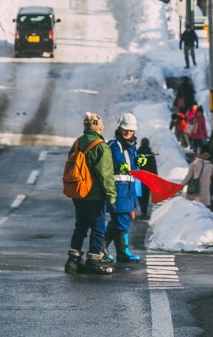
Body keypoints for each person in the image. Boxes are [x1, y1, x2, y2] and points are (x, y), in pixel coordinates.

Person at [64, 111, 116, 275]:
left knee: (80, 226)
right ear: (100, 129)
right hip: (94, 195)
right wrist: (111, 196)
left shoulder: (77, 143)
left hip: (78, 192)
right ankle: (93, 261)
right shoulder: (101, 146)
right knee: (98, 228)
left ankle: (73, 260)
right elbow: (105, 175)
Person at [106, 112, 145, 265]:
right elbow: (118, 160)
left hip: (128, 190)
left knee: (120, 221)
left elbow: (132, 168)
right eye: (125, 130)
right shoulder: (115, 145)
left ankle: (114, 250)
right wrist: (121, 165)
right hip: (119, 190)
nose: (128, 133)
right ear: (120, 129)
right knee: (121, 221)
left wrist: (138, 163)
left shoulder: (132, 146)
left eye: (131, 131)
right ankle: (120, 251)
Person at [181, 143, 213, 212]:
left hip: (194, 192)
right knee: (203, 213)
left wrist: (180, 186)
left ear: (200, 154)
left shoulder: (194, 164)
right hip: (205, 196)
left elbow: (187, 178)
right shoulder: (210, 166)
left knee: (194, 212)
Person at [134, 136, 159, 220]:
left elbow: (135, 165)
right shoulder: (150, 154)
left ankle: (142, 209)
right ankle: (144, 210)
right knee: (146, 194)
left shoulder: (137, 153)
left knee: (140, 194)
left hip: (139, 177)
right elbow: (153, 167)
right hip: (148, 178)